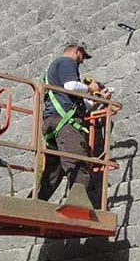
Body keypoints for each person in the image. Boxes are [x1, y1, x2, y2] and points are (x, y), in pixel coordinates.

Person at [36, 43, 104, 205]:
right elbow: (71, 86)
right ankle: (79, 207)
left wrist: (99, 100)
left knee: (53, 173)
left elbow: (82, 106)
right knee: (77, 163)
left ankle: (32, 205)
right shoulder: (66, 62)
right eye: (83, 57)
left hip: (57, 121)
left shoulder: (57, 71)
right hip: (65, 123)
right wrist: (90, 87)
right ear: (76, 51)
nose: (83, 61)